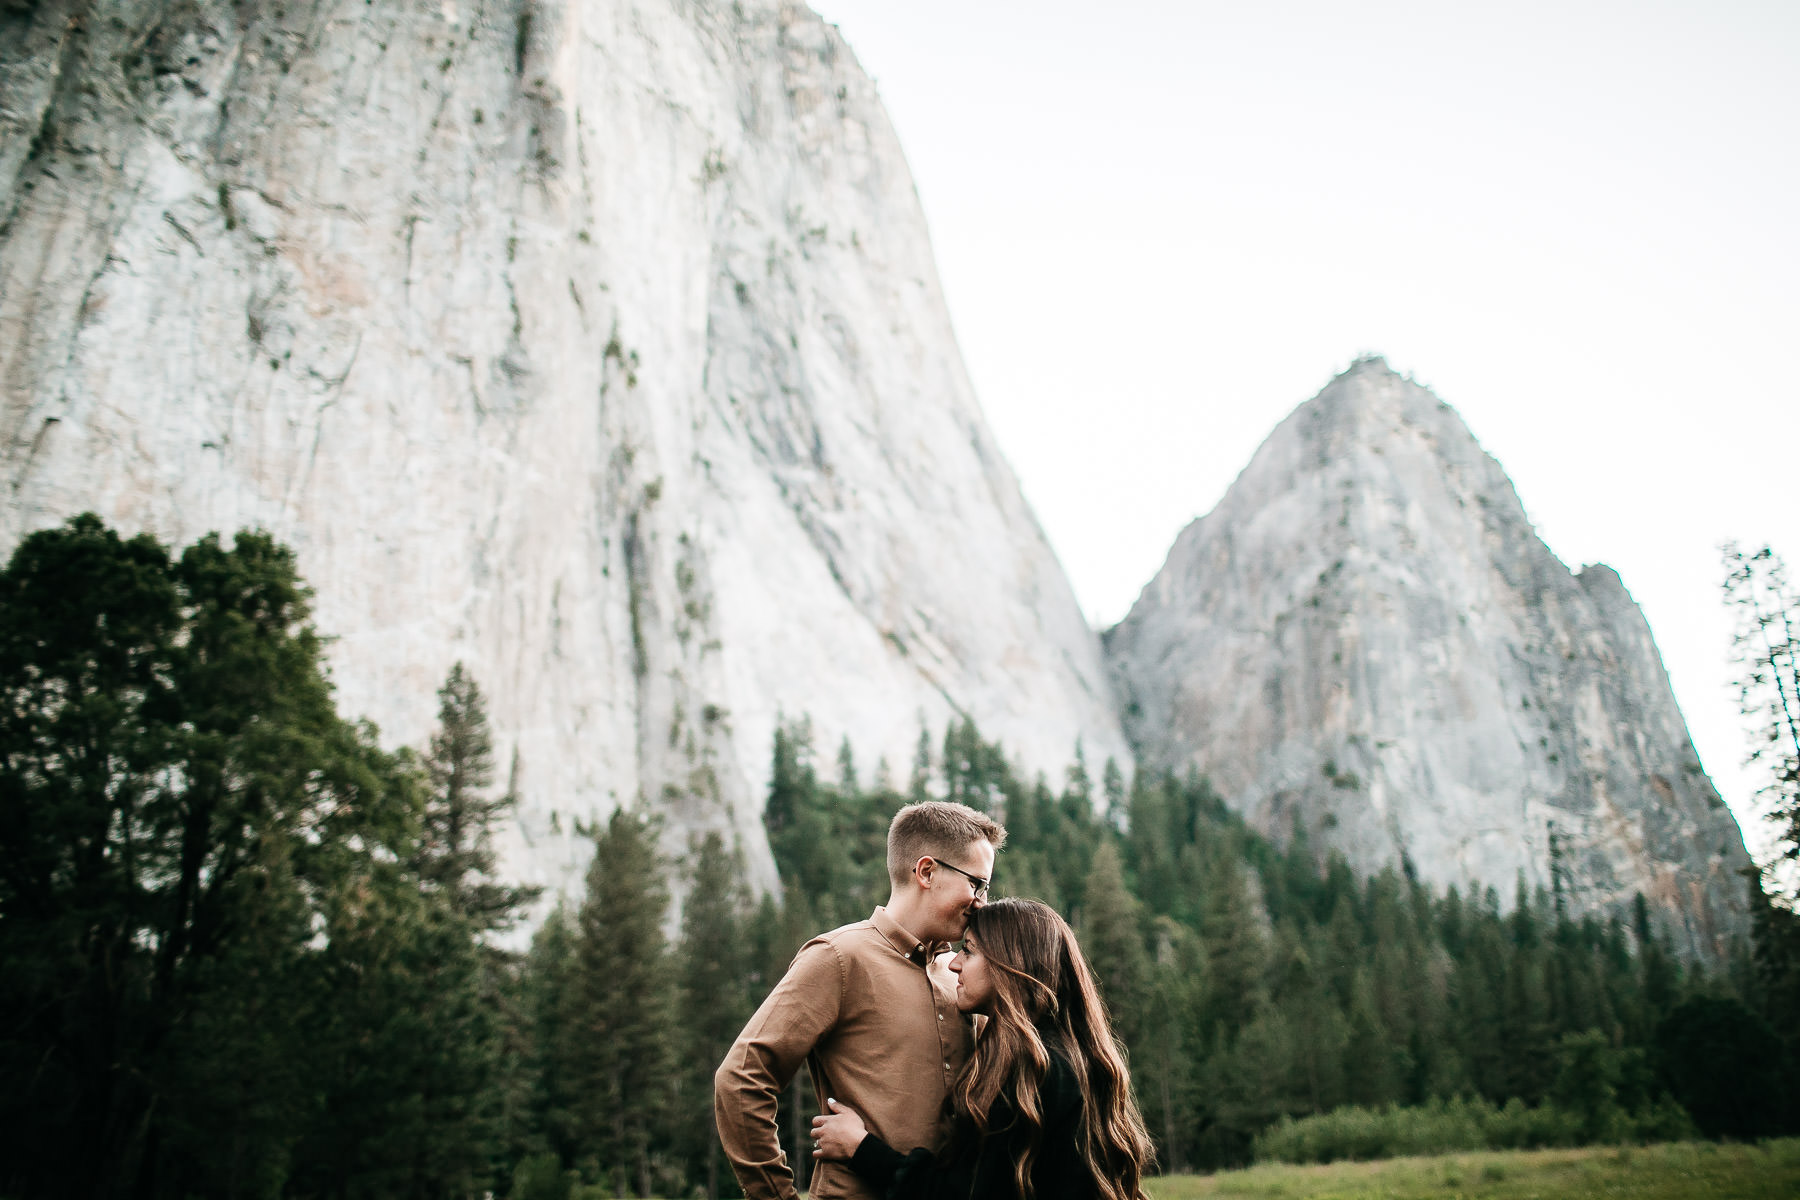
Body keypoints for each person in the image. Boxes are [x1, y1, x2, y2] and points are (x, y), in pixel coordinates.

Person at [715, 800, 1007, 1200]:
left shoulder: (962, 972)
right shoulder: (838, 957)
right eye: (977, 883)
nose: (982, 902)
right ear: (926, 871)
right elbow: (741, 1079)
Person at [808, 898, 1154, 1200]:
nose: (955, 963)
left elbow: (964, 1195)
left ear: (1010, 965)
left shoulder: (1033, 1070)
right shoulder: (1073, 1058)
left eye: (969, 951)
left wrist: (859, 1147)